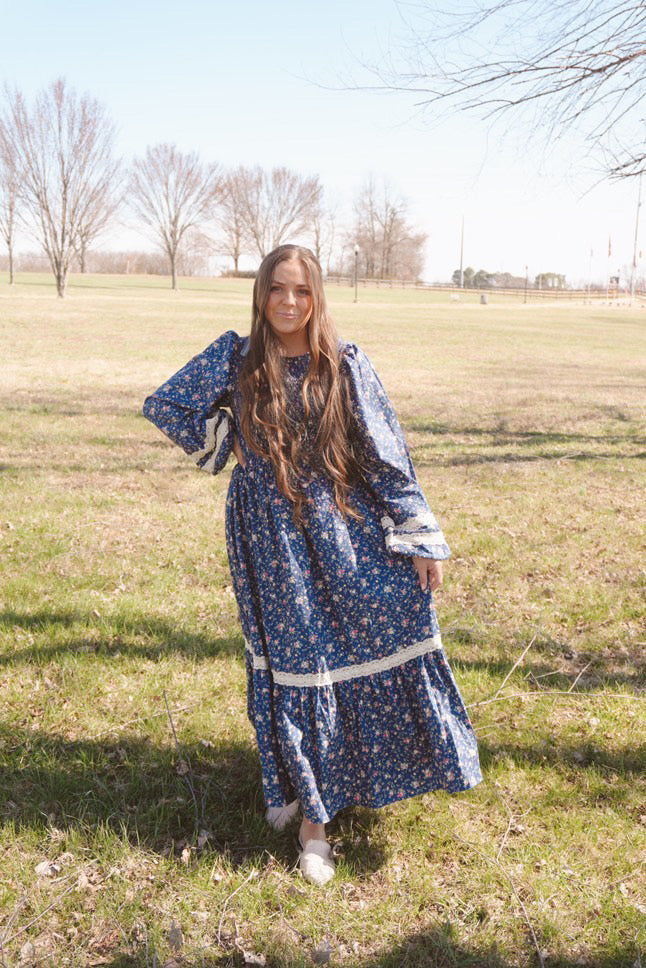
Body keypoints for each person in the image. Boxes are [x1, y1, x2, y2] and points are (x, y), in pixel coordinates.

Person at [143, 244, 481, 886]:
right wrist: (228, 442)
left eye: (301, 291)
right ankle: (312, 824)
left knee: (360, 642)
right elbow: (166, 405)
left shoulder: (344, 363)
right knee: (300, 664)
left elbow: (385, 457)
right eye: (277, 290)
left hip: (343, 530)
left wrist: (421, 537)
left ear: (316, 296)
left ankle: (334, 782)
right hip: (269, 540)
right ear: (261, 295)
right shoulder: (236, 360)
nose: (289, 303)